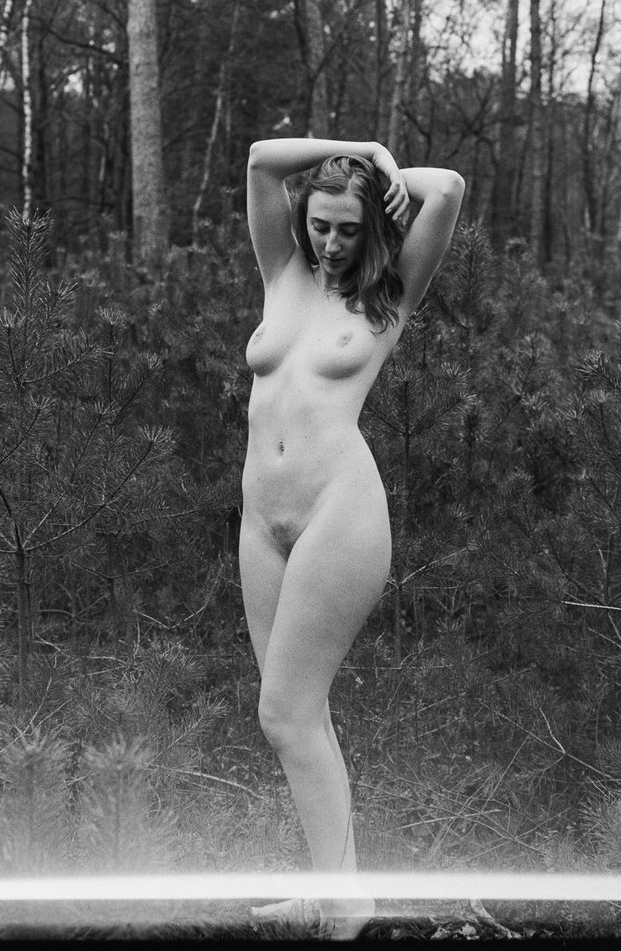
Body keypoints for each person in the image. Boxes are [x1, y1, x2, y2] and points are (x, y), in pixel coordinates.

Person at [240, 138, 464, 939]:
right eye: (319, 226)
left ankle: (344, 906)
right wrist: (359, 146)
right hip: (260, 519)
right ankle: (336, 891)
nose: (330, 244)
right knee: (300, 716)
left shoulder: (390, 291)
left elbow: (447, 188)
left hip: (338, 509)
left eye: (346, 229)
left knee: (285, 713)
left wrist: (386, 169)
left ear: (373, 229)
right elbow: (262, 161)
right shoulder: (282, 273)